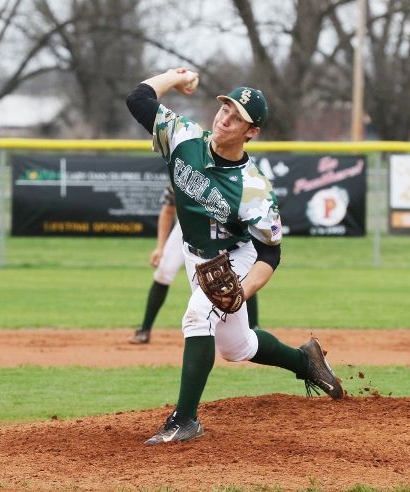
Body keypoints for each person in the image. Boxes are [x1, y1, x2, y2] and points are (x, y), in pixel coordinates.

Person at [126, 67, 343, 445]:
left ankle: (185, 420)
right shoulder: (184, 136)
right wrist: (174, 77)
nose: (225, 119)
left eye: (236, 117)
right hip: (196, 257)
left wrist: (243, 289)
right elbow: (138, 99)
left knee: (197, 317)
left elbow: (270, 254)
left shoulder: (254, 188)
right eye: (225, 109)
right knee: (237, 347)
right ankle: (305, 361)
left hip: (233, 258)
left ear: (251, 132)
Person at [129, 186, 263, 344]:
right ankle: (145, 330)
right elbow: (168, 211)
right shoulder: (184, 174)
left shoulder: (229, 177)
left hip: (224, 228)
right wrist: (160, 247)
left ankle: (254, 328)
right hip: (189, 230)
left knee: (240, 274)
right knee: (164, 272)